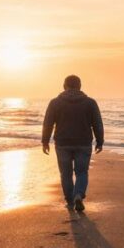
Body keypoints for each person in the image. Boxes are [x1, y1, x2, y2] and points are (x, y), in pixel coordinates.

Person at [41, 75, 104, 211]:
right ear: (80, 86)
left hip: (63, 143)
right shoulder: (90, 103)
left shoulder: (55, 103)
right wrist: (100, 141)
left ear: (64, 86)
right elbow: (97, 124)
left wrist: (45, 141)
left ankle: (70, 200)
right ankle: (78, 195)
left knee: (66, 173)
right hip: (83, 143)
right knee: (81, 172)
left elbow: (48, 124)